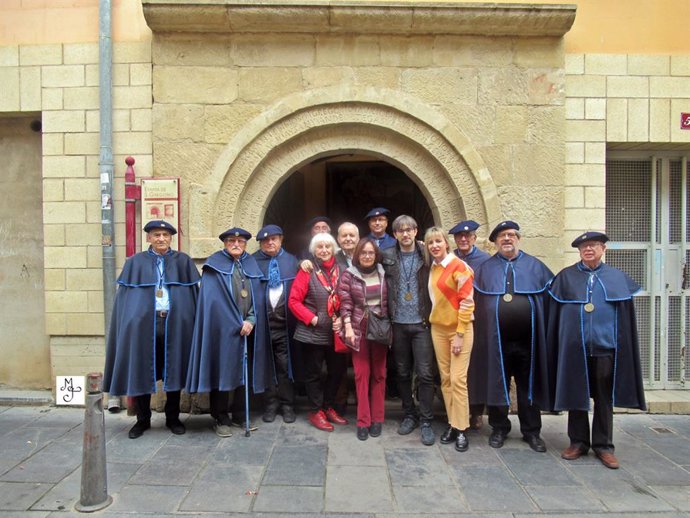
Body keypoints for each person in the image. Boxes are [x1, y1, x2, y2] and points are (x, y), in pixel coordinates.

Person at [548, 231, 646, 469]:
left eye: (593, 245)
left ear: (603, 249)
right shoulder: (566, 277)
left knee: (604, 398)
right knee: (576, 396)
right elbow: (556, 317)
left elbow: (625, 319)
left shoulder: (617, 278)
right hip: (575, 349)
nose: (588, 250)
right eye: (584, 247)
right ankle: (578, 442)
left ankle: (604, 446)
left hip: (605, 348)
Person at [103, 220, 199, 439]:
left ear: (171, 238)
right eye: (156, 235)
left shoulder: (183, 262)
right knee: (141, 369)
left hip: (175, 324)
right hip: (144, 325)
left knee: (174, 369)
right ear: (149, 238)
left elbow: (194, 298)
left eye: (165, 235)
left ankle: (173, 418)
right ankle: (142, 420)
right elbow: (125, 302)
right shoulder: (135, 263)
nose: (161, 239)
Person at [472, 221, 553, 452]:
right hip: (497, 341)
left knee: (528, 386)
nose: (506, 239)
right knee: (499, 384)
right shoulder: (486, 269)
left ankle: (532, 432)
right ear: (495, 242)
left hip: (529, 341)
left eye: (510, 235)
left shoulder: (535, 267)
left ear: (518, 238)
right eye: (501, 236)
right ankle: (499, 428)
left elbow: (550, 302)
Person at [186, 227, 274, 437]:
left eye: (241, 241)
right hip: (223, 330)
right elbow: (213, 303)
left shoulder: (250, 264)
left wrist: (251, 320)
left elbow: (257, 297)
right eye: (231, 241)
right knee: (223, 372)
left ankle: (240, 414)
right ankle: (221, 417)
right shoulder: (214, 266)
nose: (236, 244)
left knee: (245, 370)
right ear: (224, 243)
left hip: (249, 328)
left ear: (245, 244)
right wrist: (236, 322)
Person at [381, 215, 436, 446]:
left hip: (422, 323)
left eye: (409, 230)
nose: (405, 234)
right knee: (402, 372)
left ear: (416, 231)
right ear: (394, 234)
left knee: (424, 374)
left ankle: (426, 420)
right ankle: (409, 414)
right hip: (398, 324)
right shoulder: (387, 256)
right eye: (400, 230)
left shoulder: (427, 254)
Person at [288, 232, 348, 431]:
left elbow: (348, 298)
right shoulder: (307, 270)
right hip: (312, 332)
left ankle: (327, 406)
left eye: (327, 246)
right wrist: (312, 319)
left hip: (336, 332)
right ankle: (315, 411)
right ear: (314, 250)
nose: (324, 250)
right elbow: (294, 301)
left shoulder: (343, 269)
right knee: (313, 374)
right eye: (320, 247)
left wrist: (342, 318)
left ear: (334, 249)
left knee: (337, 372)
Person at [424, 227, 475, 452]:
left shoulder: (460, 266)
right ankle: (452, 424)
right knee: (445, 379)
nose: (434, 245)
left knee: (458, 380)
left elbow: (467, 302)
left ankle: (462, 428)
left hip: (459, 330)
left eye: (438, 241)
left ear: (446, 242)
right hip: (438, 329)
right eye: (430, 243)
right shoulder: (433, 268)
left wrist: (460, 333)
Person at [338, 238, 390, 441]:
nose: (367, 256)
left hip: (381, 330)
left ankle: (377, 419)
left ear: (376, 254)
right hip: (359, 329)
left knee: (379, 374)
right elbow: (345, 302)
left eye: (370, 253)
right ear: (357, 255)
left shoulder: (385, 273)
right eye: (363, 253)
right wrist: (348, 326)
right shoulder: (349, 275)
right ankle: (363, 420)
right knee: (361, 375)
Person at [253, 224, 299, 424]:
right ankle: (270, 404)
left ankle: (288, 404)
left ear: (281, 239)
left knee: (285, 366)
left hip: (284, 326)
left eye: (274, 239)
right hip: (263, 326)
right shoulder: (252, 262)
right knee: (267, 366)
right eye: (265, 240)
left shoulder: (292, 261)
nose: (270, 242)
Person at [450, 219, 491, 431]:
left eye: (467, 236)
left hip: (478, 319)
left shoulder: (485, 260)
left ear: (474, 238)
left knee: (476, 367)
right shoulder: (449, 259)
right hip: (451, 320)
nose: (464, 240)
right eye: (459, 237)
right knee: (455, 369)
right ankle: (457, 410)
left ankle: (476, 410)